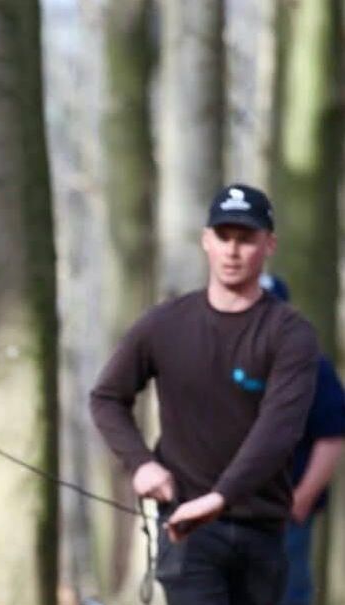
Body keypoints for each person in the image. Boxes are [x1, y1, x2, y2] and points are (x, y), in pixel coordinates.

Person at [90, 184, 319, 605]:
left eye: (245, 238)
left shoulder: (290, 334)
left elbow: (279, 430)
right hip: (186, 528)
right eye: (223, 236)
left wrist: (220, 497)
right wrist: (140, 463)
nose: (232, 250)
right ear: (206, 240)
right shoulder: (163, 325)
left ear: (269, 245)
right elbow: (107, 397)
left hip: (262, 532)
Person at [259, 275, 345, 605]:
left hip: (284, 512)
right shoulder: (222, 363)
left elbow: (331, 435)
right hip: (227, 513)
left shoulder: (312, 368)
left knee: (287, 594)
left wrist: (301, 499)